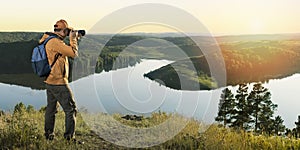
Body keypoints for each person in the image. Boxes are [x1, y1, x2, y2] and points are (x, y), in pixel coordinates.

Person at [39, 19, 80, 142]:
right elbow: (73, 53)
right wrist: (73, 39)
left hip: (49, 80)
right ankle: (69, 138)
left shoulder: (47, 39)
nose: (67, 33)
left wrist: (72, 37)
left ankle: (48, 135)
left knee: (51, 109)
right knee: (71, 109)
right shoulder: (55, 42)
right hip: (58, 82)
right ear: (62, 31)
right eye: (66, 31)